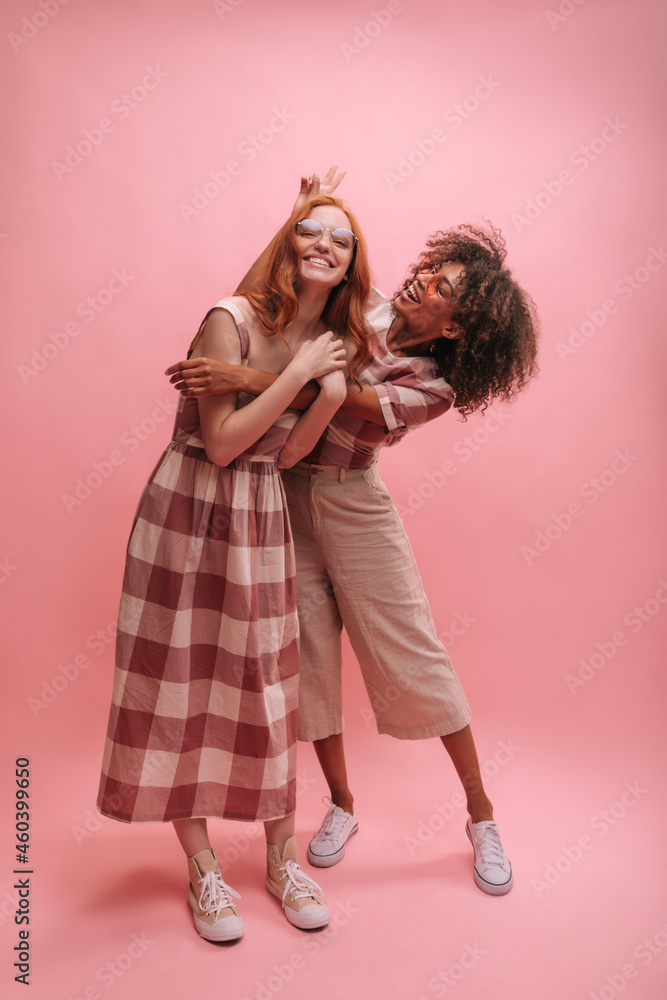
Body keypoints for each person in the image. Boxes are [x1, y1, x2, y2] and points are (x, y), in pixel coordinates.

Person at [165, 168, 539, 897]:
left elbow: (349, 403)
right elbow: (301, 285)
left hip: (353, 503)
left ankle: (481, 816)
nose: (422, 277)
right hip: (284, 492)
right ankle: (341, 804)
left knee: (412, 651)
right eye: (430, 267)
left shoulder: (436, 385)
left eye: (442, 286)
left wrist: (238, 379)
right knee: (305, 657)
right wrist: (305, 212)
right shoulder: (358, 307)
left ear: (456, 325)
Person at [97, 193, 374, 942]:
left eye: (340, 240)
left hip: (258, 513)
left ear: (351, 265)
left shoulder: (334, 344)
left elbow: (282, 456)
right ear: (285, 246)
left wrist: (333, 389)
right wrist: (301, 376)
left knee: (265, 687)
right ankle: (203, 869)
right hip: (187, 511)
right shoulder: (232, 318)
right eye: (307, 231)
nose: (323, 244)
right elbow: (220, 444)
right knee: (179, 687)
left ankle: (283, 856)